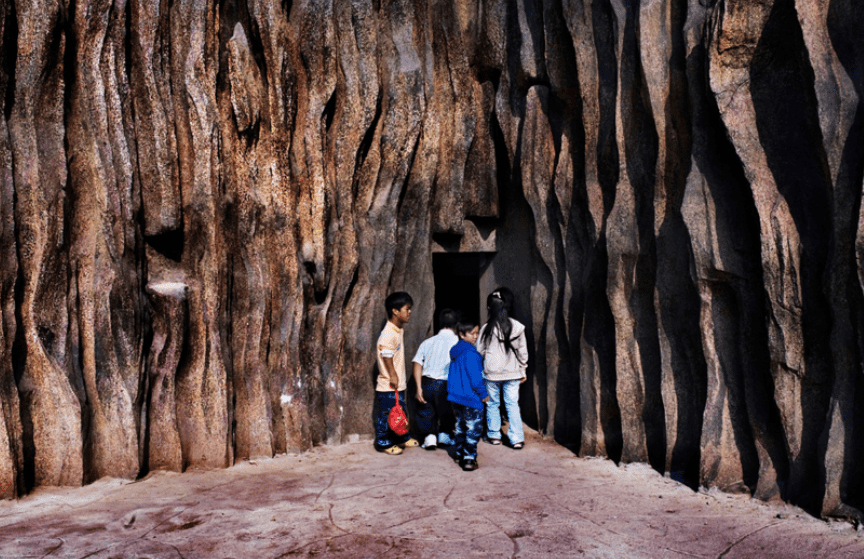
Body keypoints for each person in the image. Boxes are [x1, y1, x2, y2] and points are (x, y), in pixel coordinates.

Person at [477, 287, 528, 449]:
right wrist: (523, 369)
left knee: (492, 404)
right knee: (512, 404)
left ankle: (494, 436)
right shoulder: (518, 327)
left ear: (490, 307)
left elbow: (480, 351)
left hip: (492, 373)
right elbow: (522, 352)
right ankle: (517, 438)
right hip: (513, 372)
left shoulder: (487, 329)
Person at [374, 291, 420, 455]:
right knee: (387, 416)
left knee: (400, 413)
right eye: (407, 309)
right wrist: (393, 375)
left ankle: (402, 437)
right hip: (388, 385)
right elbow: (386, 355)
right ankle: (384, 443)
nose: (410, 312)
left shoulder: (397, 329)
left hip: (397, 384)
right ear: (395, 311)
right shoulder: (388, 333)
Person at [412, 308, 460, 450]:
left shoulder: (428, 342)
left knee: (426, 411)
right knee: (447, 412)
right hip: (447, 384)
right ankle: (444, 437)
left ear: (439, 323)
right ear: (456, 324)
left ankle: (430, 438)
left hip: (427, 382)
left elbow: (417, 363)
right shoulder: (459, 342)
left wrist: (419, 387)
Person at [447, 320, 489, 471]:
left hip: (456, 397)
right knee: (473, 428)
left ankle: (459, 453)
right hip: (471, 398)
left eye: (477, 333)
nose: (476, 336)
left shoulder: (455, 352)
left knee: (460, 425)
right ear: (462, 334)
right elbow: (476, 378)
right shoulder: (471, 354)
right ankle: (469, 458)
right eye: (472, 333)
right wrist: (483, 394)